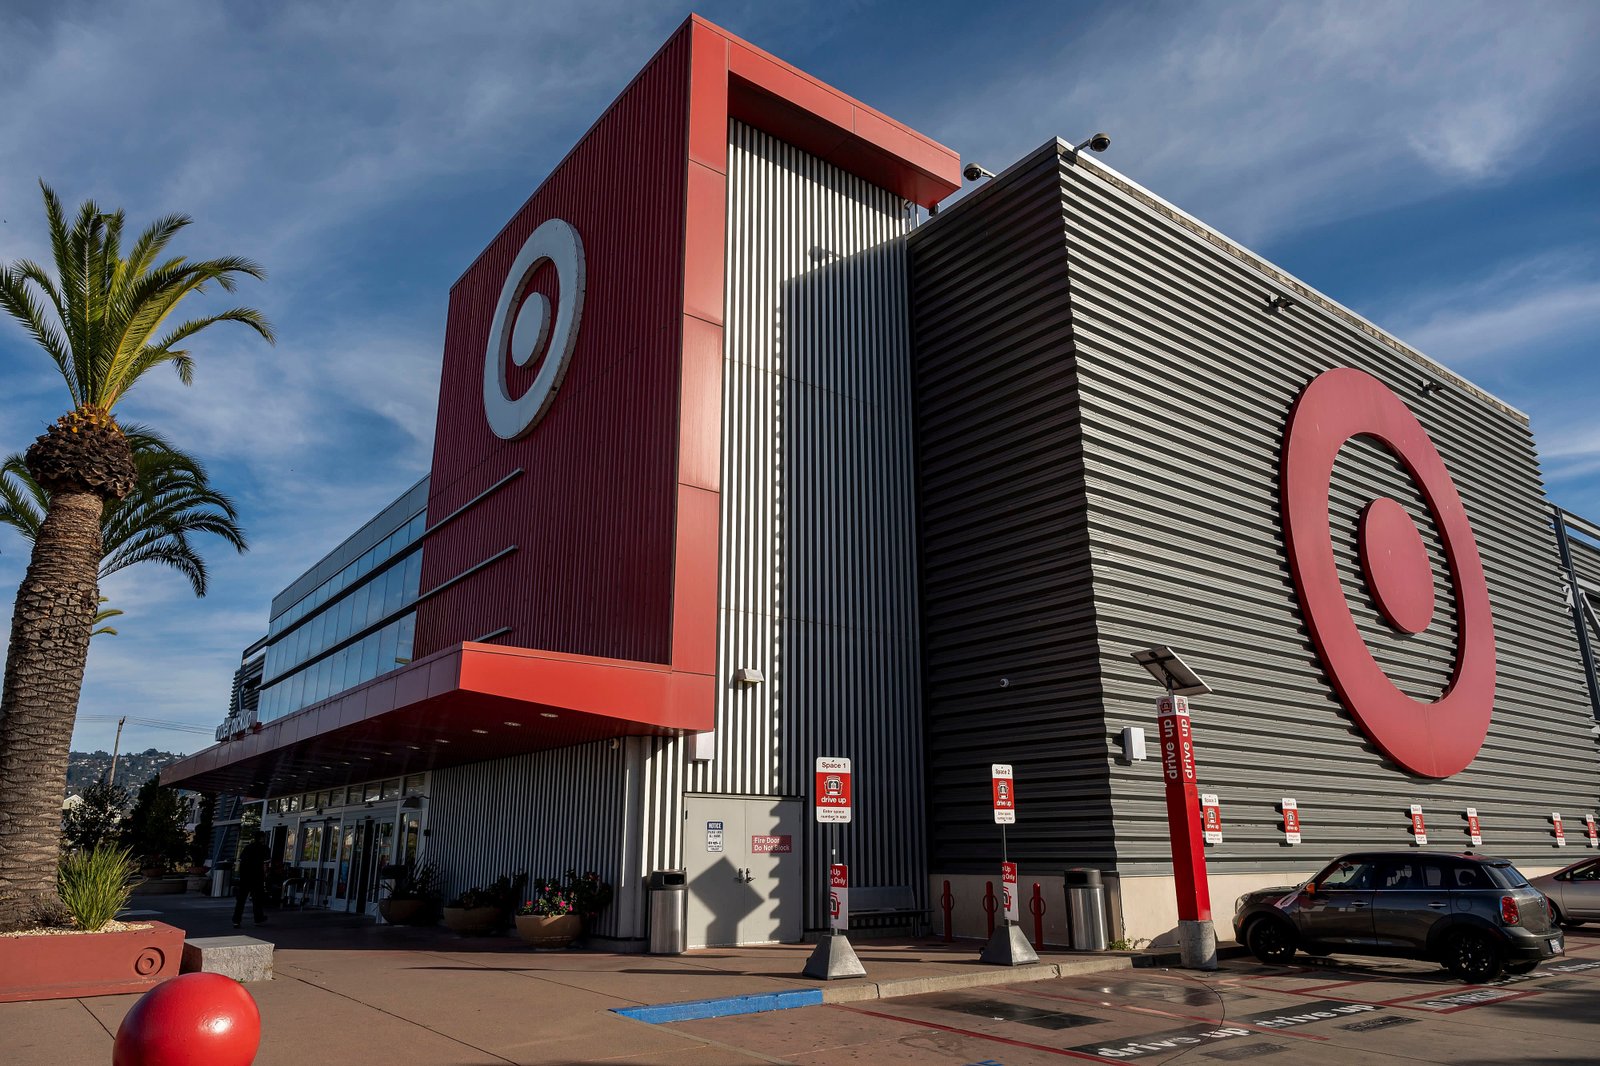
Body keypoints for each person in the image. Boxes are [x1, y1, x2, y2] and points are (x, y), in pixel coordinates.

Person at [233, 830, 270, 929]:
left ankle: (236, 920)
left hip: (245, 877)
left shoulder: (248, 847)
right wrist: (265, 876)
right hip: (257, 877)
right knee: (257, 899)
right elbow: (265, 864)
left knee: (241, 900)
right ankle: (258, 918)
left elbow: (240, 862)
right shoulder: (264, 848)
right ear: (262, 838)